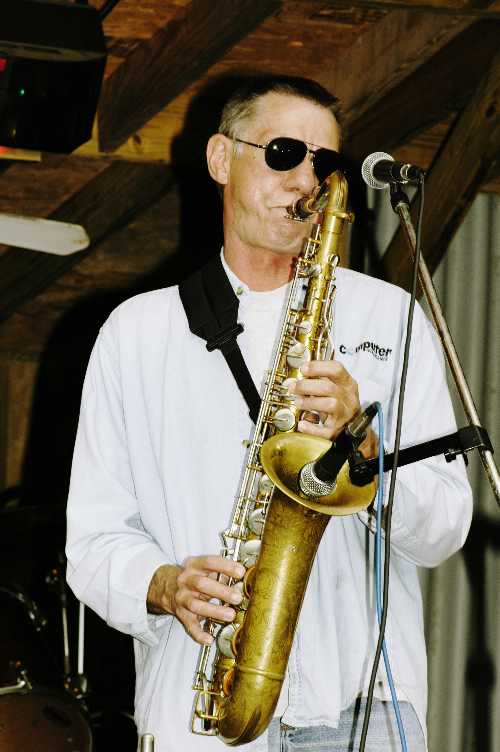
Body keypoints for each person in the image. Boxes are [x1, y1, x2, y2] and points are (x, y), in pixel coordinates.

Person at [66, 76, 472, 752]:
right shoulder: (136, 333)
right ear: (220, 158)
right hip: (208, 711)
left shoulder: (389, 318)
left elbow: (444, 527)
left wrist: (364, 448)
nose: (306, 179)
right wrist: (164, 585)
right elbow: (93, 540)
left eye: (324, 162)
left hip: (366, 709)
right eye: (284, 153)